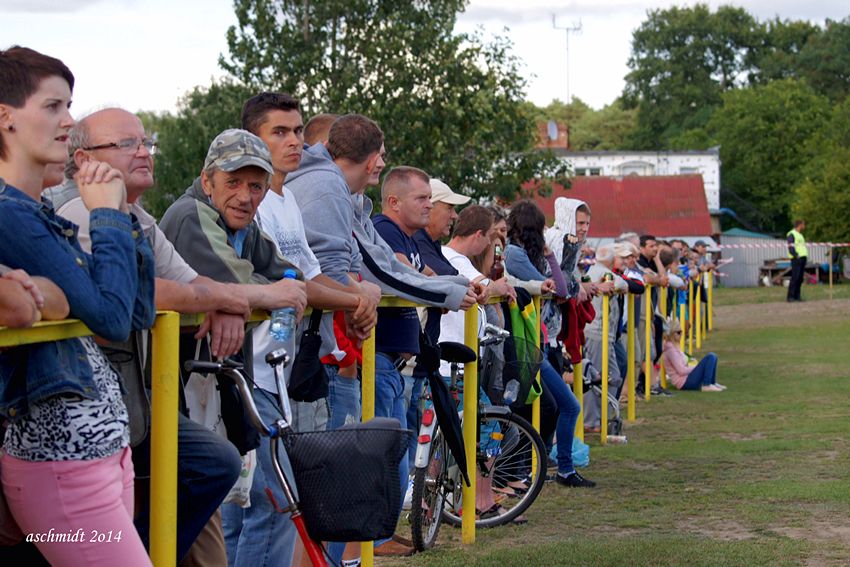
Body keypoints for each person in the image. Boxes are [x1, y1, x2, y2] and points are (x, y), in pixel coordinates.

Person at [47, 107, 301, 565]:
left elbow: (194, 284)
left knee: (215, 468)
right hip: (77, 405)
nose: (144, 152)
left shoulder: (138, 218)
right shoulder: (79, 212)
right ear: (83, 159)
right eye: (126, 144)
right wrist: (235, 297)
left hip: (137, 402)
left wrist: (222, 299)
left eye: (146, 142)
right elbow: (136, 291)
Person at [0, 46, 155, 566]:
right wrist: (106, 217)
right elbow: (110, 318)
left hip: (100, 453)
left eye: (69, 105)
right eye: (53, 106)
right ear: (5, 117)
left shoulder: (38, 212)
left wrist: (122, 214)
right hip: (61, 462)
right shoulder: (10, 216)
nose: (68, 121)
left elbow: (136, 311)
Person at [159, 128, 311, 567]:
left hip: (201, 393)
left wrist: (231, 299)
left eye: (256, 186)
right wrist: (236, 296)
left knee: (215, 513)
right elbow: (248, 283)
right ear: (207, 180)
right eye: (233, 182)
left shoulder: (242, 224)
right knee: (242, 498)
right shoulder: (191, 214)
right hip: (170, 395)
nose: (246, 196)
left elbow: (290, 278)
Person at [503, 200, 593, 488]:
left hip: (539, 340)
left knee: (557, 407)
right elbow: (561, 289)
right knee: (553, 408)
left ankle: (549, 469)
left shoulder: (526, 253)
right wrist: (554, 259)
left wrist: (552, 257)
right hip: (527, 342)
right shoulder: (515, 254)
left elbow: (562, 288)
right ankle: (528, 471)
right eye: (540, 228)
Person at [661, 318, 724, 391]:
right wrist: (697, 367)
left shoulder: (675, 346)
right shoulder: (670, 350)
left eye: (681, 332)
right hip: (683, 382)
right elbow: (681, 370)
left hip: (687, 378)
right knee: (710, 356)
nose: (681, 334)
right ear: (672, 334)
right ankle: (707, 385)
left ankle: (712, 383)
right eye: (678, 332)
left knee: (714, 356)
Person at [786, 220, 807, 302]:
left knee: (800, 278)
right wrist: (795, 255)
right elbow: (791, 246)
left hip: (803, 257)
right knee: (795, 277)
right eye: (803, 224)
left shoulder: (800, 235)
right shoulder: (791, 234)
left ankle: (797, 296)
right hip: (796, 258)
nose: (804, 226)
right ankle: (790, 297)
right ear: (800, 225)